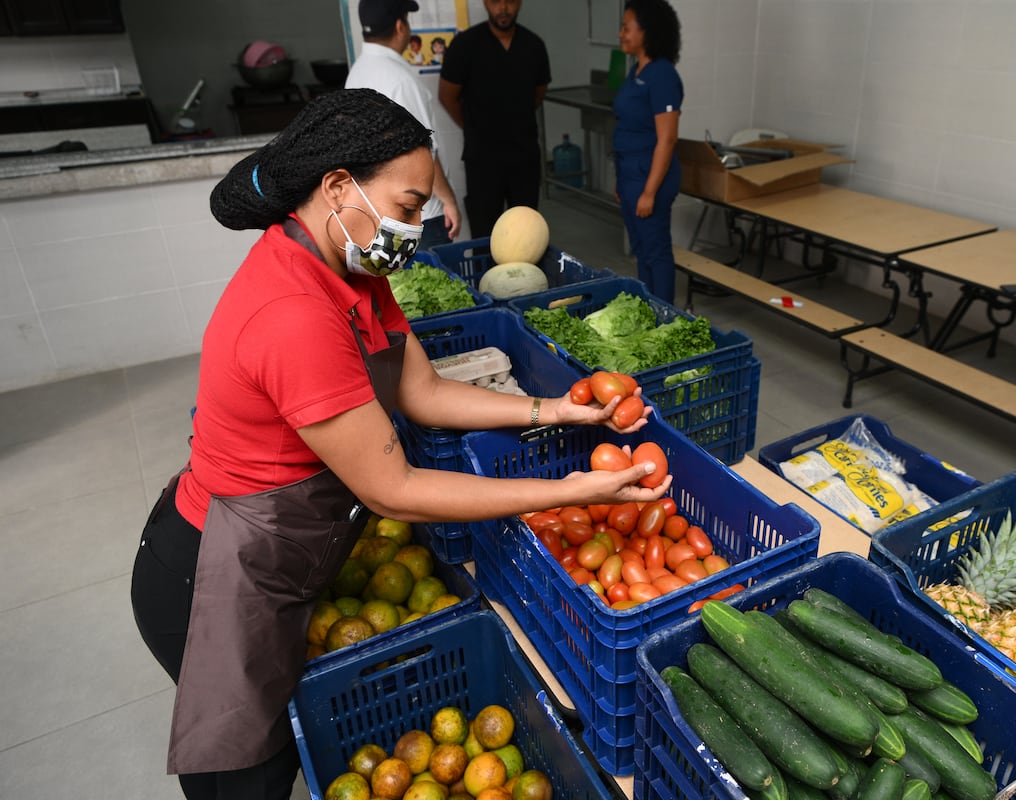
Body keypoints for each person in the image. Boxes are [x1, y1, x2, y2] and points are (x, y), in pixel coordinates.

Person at [129, 89, 668, 800]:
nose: (416, 228)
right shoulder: (293, 312)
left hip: (278, 554)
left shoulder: (348, 266)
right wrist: (573, 491)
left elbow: (424, 392)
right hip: (213, 577)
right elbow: (395, 489)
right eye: (409, 207)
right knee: (249, 774)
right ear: (337, 187)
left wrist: (557, 410)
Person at [345, 0, 460, 248]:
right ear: (400, 26)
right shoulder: (400, 80)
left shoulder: (357, 73)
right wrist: (449, 201)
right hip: (420, 217)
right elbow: (424, 150)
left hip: (379, 214)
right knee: (434, 284)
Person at [438, 0, 550, 238]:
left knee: (527, 234)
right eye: (496, 1)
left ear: (519, 3)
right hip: (483, 161)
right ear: (485, 3)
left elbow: (538, 94)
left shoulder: (533, 45)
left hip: (524, 157)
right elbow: (447, 96)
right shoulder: (465, 45)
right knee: (485, 233)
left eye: (509, 1)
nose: (503, 8)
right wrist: (473, 127)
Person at [613, 0, 683, 304]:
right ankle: (649, 309)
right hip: (631, 176)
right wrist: (621, 181)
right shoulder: (637, 70)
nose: (621, 34)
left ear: (647, 32)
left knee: (656, 253)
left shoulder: (663, 75)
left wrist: (649, 192)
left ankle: (666, 318)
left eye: (627, 28)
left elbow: (666, 140)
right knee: (641, 250)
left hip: (649, 178)